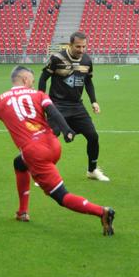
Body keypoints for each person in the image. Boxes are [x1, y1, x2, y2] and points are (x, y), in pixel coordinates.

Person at [0, 66, 115, 236]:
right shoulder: (39, 95)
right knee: (19, 163)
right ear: (26, 80)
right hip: (53, 145)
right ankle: (22, 212)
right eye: (32, 82)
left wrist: (2, 116)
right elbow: (54, 112)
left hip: (35, 153)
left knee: (61, 197)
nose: (32, 85)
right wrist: (67, 130)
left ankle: (102, 212)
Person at [38, 32, 109, 182]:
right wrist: (41, 99)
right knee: (50, 138)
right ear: (70, 44)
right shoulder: (57, 58)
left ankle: (92, 170)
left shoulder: (87, 60)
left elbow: (88, 81)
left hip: (77, 106)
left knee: (93, 136)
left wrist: (93, 101)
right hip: (57, 105)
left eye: (84, 46)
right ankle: (43, 173)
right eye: (78, 46)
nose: (81, 49)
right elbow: (44, 78)